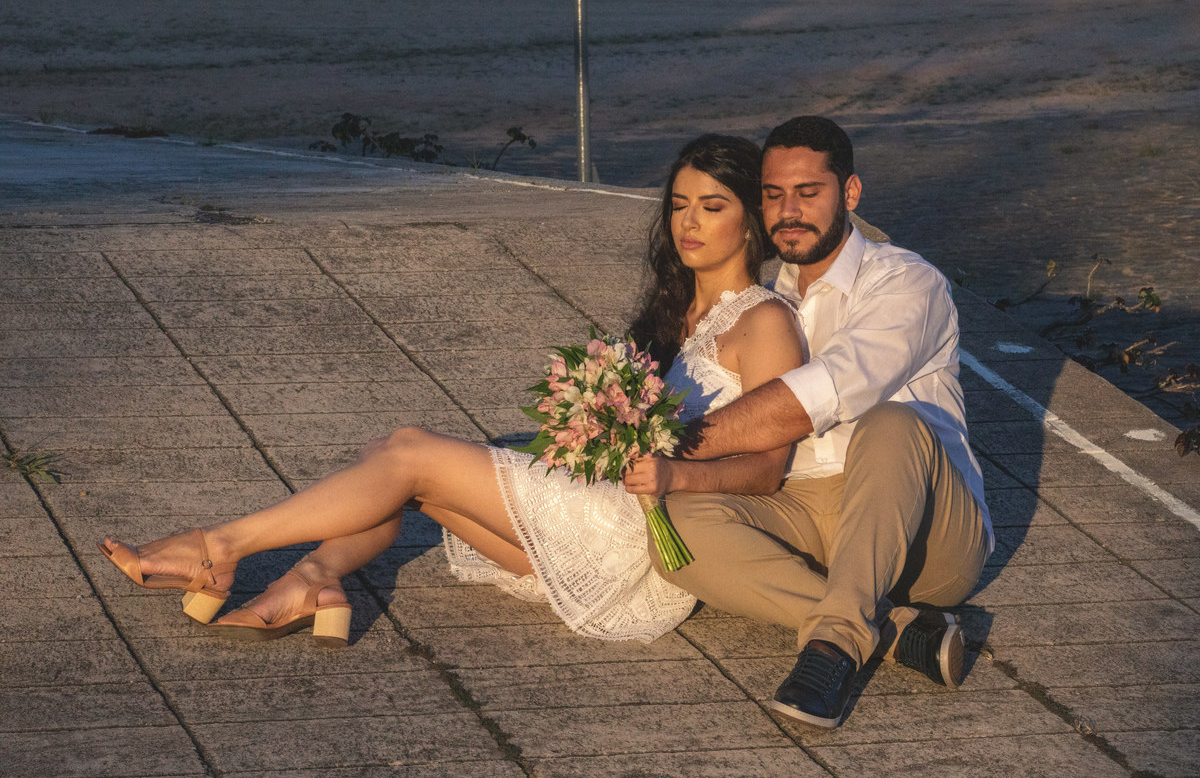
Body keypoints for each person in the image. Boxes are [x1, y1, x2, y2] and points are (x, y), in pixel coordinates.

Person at [97, 134, 808, 647]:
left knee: (408, 451)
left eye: (711, 207)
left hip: (630, 538)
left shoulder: (765, 319)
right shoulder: (671, 314)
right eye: (679, 204)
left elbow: (771, 467)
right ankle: (313, 578)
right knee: (398, 468)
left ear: (751, 219)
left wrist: (675, 471)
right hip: (586, 520)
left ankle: (221, 545)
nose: (687, 222)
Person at [649, 116, 993, 729]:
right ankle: (893, 633)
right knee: (676, 523)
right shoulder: (765, 300)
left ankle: (832, 648)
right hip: (809, 509)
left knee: (890, 423)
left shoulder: (907, 283)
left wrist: (672, 441)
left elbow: (826, 391)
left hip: (925, 526)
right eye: (774, 195)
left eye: (808, 193)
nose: (789, 211)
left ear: (850, 194)